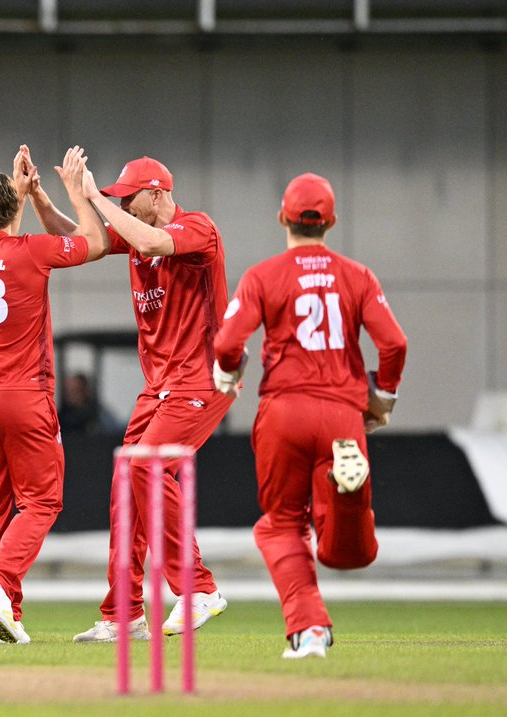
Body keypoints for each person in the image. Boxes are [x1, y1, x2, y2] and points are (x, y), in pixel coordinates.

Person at [25, 150, 231, 643]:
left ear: (157, 193)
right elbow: (79, 236)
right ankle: (124, 614)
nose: (124, 204)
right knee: (126, 488)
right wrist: (42, 197)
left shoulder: (198, 228)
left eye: (129, 196)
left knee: (147, 466)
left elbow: (153, 238)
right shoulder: (135, 229)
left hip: (203, 377)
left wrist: (95, 196)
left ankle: (198, 588)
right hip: (159, 385)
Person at [213, 173, 407, 658]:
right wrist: (383, 396)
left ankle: (310, 630)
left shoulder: (263, 275)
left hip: (284, 409)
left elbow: (227, 341)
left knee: (280, 525)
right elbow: (394, 343)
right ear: (331, 222)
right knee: (350, 554)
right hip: (343, 412)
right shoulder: (358, 276)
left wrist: (227, 373)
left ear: (283, 217)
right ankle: (348, 490)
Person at [0, 147, 106, 644]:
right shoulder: (32, 251)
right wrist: (69, 191)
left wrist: (19, 198)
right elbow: (95, 241)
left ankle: (6, 620)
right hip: (22, 395)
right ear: (14, 209)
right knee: (42, 500)